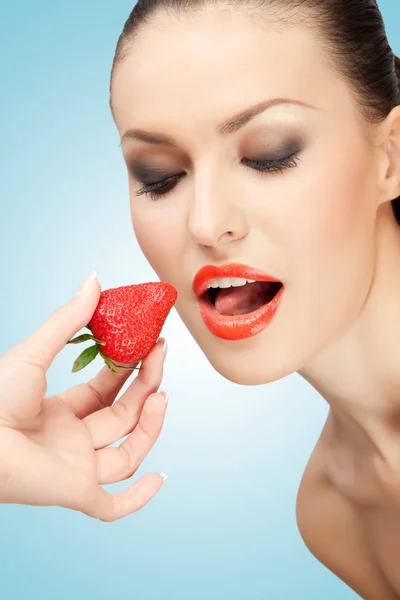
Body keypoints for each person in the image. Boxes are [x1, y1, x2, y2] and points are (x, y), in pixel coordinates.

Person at [1, 0, 400, 597]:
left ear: (390, 157)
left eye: (270, 154)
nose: (207, 223)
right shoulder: (334, 515)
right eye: (158, 175)